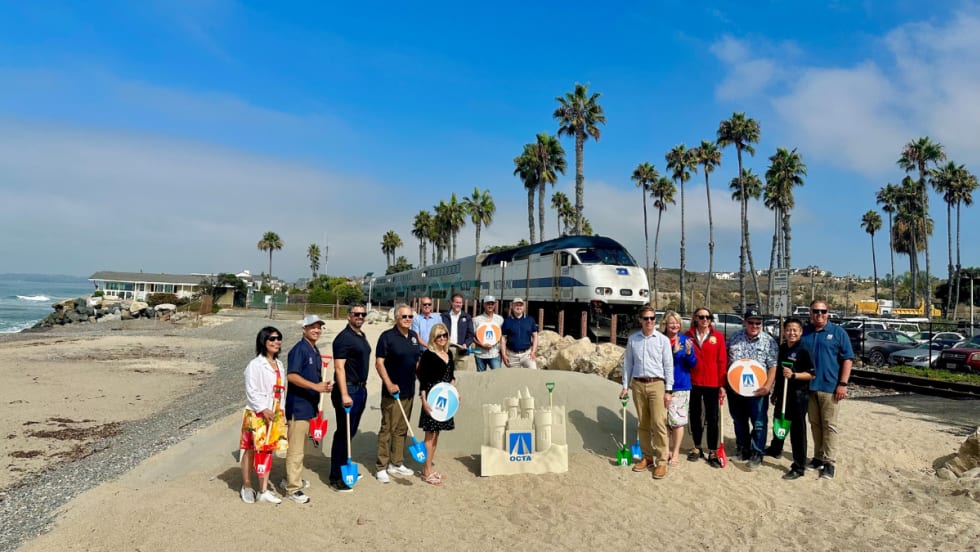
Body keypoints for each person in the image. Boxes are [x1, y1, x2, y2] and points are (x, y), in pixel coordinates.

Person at [801, 300, 854, 480]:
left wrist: (843, 384)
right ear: (810, 313)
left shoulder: (838, 333)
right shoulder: (805, 332)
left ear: (828, 313)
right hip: (809, 388)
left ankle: (829, 462)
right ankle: (818, 456)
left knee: (830, 426)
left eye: (823, 311)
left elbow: (848, 359)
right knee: (815, 424)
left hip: (830, 387)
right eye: (816, 311)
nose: (819, 314)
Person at [620, 305, 674, 480]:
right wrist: (624, 386)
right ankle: (647, 456)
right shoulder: (633, 340)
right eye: (646, 318)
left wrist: (668, 390)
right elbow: (628, 364)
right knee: (643, 423)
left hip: (657, 384)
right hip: (638, 384)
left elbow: (668, 366)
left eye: (652, 318)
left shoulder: (663, 340)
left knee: (658, 423)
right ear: (640, 320)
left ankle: (661, 461)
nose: (649, 321)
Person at [283, 315, 333, 503]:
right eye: (312, 327)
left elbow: (313, 378)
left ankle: (289, 478)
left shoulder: (314, 349)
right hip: (298, 407)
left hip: (309, 406)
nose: (317, 330)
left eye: (319, 327)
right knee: (295, 449)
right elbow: (292, 376)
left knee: (300, 447)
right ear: (303, 329)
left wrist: (323, 386)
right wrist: (315, 387)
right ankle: (292, 488)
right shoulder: (299, 350)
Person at [240, 326, 288, 504]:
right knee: (251, 450)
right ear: (264, 342)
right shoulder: (255, 364)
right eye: (272, 339)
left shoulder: (279, 364)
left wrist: (280, 411)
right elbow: (251, 390)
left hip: (275, 413)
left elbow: (281, 391)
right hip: (257, 414)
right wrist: (262, 408)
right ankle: (246, 485)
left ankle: (263, 489)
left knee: (267, 450)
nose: (277, 342)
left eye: (279, 338)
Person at [725, 307, 778, 470]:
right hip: (736, 390)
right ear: (744, 322)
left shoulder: (768, 341)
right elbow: (726, 360)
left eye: (758, 323)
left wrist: (768, 386)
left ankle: (757, 452)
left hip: (758, 390)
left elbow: (773, 366)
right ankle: (743, 448)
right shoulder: (735, 338)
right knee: (739, 421)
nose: (755, 325)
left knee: (759, 423)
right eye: (751, 322)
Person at [375, 303, 422, 483]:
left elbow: (416, 362)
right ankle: (381, 466)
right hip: (392, 393)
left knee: (402, 429)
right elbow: (379, 363)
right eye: (404, 317)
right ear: (396, 318)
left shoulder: (414, 337)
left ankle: (396, 462)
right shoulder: (387, 337)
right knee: (388, 428)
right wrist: (389, 383)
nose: (408, 320)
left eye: (410, 317)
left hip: (409, 390)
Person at [328, 304, 371, 492]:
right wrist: (345, 394)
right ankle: (336, 476)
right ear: (349, 316)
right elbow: (339, 368)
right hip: (349, 391)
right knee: (343, 434)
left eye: (362, 314)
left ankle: (345, 467)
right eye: (356, 314)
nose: (360, 317)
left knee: (350, 432)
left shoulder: (360, 335)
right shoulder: (343, 339)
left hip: (361, 389)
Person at [767, 318, 816, 480]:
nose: (791, 333)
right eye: (788, 329)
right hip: (783, 394)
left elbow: (811, 374)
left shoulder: (804, 349)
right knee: (779, 421)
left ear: (800, 332)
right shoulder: (782, 348)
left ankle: (799, 466)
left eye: (795, 330)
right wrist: (775, 392)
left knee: (797, 431)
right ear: (784, 331)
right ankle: (776, 449)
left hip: (798, 396)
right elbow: (779, 375)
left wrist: (794, 375)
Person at [685, 307, 728, 468]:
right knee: (695, 416)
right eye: (701, 317)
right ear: (695, 318)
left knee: (713, 418)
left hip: (712, 383)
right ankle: (697, 447)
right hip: (694, 383)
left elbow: (722, 361)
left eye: (708, 317)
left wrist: (722, 385)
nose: (705, 320)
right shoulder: (688, 336)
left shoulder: (718, 337)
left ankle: (712, 450)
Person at [417, 323, 457, 486]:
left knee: (437, 435)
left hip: (445, 401)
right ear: (433, 338)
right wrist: (424, 401)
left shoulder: (449, 353)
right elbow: (423, 380)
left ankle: (429, 469)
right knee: (429, 435)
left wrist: (455, 392)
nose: (442, 338)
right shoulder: (428, 355)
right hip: (432, 400)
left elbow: (451, 377)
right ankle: (427, 471)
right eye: (439, 336)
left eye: (444, 335)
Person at [662, 311, 696, 466]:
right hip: (661, 384)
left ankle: (675, 452)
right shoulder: (659, 340)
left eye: (677, 322)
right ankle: (665, 449)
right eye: (671, 322)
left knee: (676, 421)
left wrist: (688, 353)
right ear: (665, 324)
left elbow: (693, 365)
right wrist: (673, 353)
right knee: (663, 421)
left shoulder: (686, 340)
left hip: (680, 385)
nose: (674, 325)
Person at [500, 297, 538, 369]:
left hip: (527, 354)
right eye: (516, 305)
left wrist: (533, 351)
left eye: (520, 305)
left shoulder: (530, 320)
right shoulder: (507, 321)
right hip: (512, 355)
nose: (518, 307)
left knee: (533, 374)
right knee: (514, 379)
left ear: (523, 307)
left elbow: (535, 336)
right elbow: (503, 339)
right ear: (512, 306)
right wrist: (504, 355)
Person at [441, 293, 475, 365]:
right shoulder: (444, 316)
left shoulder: (467, 317)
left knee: (461, 375)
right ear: (452, 303)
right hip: (446, 350)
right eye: (456, 302)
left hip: (461, 351)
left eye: (460, 303)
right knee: (445, 374)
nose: (458, 304)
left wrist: (466, 344)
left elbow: (470, 334)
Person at [472, 295, 504, 372]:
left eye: (492, 304)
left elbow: (501, 336)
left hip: (495, 354)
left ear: (495, 305)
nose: (490, 306)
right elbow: (472, 336)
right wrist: (481, 344)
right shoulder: (476, 320)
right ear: (484, 305)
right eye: (488, 304)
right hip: (480, 354)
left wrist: (502, 352)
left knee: (497, 377)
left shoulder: (500, 319)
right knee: (481, 378)